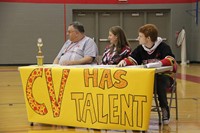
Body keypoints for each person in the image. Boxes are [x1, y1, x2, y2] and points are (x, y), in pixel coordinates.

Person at [118, 24, 177, 125]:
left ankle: (164, 109)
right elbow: (132, 59)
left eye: (140, 36)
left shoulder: (163, 47)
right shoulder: (141, 48)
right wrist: (124, 61)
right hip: (148, 78)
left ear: (148, 38)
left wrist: (160, 63)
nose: (138, 38)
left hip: (165, 77)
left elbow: (171, 60)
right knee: (134, 84)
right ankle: (135, 112)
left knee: (159, 82)